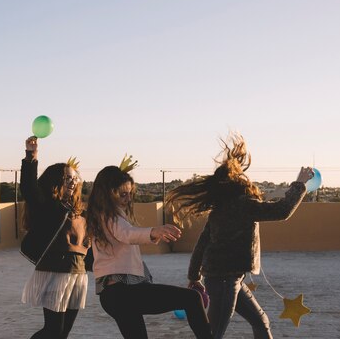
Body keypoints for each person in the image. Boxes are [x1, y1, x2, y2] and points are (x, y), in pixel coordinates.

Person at [166, 134, 314, 339]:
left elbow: (202, 244)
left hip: (228, 279)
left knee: (261, 321)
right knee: (213, 334)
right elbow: (282, 211)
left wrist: (193, 277)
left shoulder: (220, 210)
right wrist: (299, 183)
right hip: (225, 280)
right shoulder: (243, 205)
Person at [86, 161, 213, 339]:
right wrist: (154, 231)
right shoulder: (110, 216)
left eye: (130, 194)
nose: (128, 199)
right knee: (192, 299)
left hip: (115, 296)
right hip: (123, 293)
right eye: (123, 194)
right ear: (108, 193)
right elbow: (127, 234)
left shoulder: (101, 216)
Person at [20, 136, 90, 339]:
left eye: (74, 178)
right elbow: (29, 189)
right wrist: (30, 156)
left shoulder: (78, 211)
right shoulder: (48, 205)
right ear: (55, 181)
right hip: (55, 272)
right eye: (67, 178)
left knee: (63, 333)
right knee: (53, 331)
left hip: (77, 274)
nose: (72, 182)